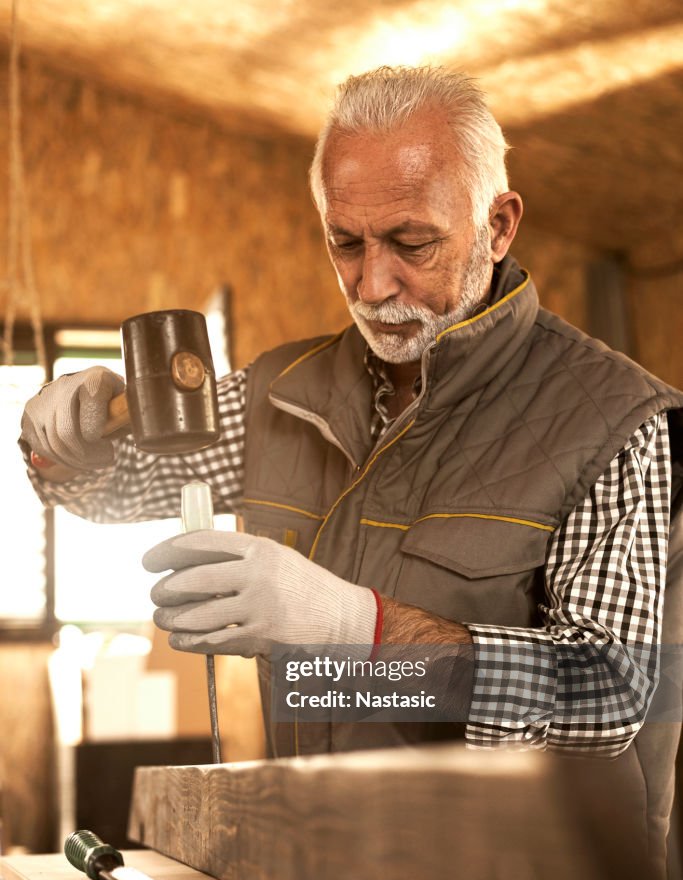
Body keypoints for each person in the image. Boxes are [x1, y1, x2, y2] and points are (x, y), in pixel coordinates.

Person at [20, 66, 683, 774]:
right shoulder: (281, 391)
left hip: (524, 879)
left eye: (411, 242)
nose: (371, 286)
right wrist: (70, 446)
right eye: (345, 242)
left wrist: (358, 630)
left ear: (496, 226)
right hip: (329, 855)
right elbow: (125, 490)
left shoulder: (614, 420)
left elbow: (606, 698)